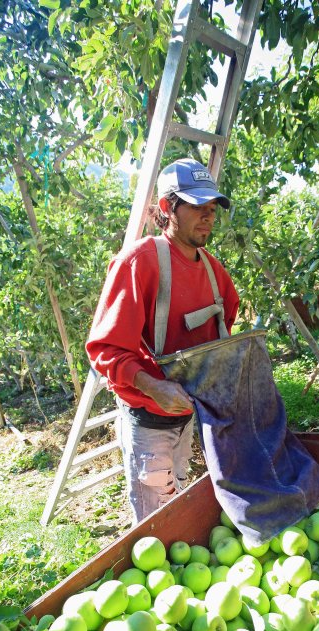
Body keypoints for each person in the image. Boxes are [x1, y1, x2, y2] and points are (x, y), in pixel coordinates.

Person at [86, 158, 239, 524]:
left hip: (187, 415)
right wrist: (153, 386)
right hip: (150, 418)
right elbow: (105, 349)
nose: (208, 217)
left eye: (212, 208)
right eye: (197, 207)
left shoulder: (213, 270)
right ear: (168, 207)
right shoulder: (139, 262)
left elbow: (225, 325)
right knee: (157, 516)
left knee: (179, 493)